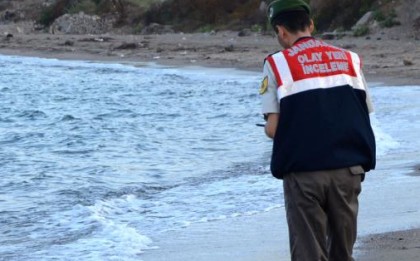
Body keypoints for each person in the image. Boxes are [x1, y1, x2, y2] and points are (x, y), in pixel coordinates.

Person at [259, 0, 376, 260]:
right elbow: (362, 112)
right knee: (342, 253)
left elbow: (273, 128)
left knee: (309, 252)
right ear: (311, 24)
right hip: (349, 170)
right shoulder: (350, 59)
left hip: (305, 173)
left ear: (281, 31)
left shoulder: (277, 64)